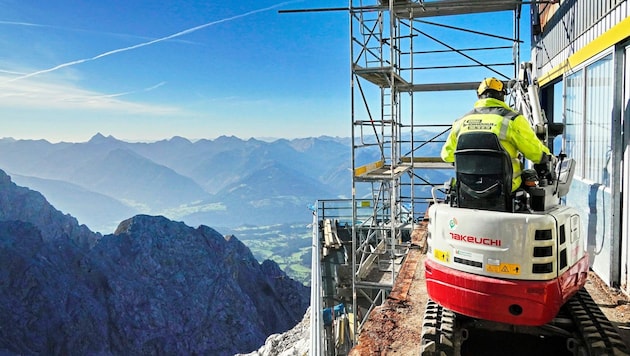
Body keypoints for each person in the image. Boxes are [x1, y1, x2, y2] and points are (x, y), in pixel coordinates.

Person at [440, 77, 551, 192]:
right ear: (503, 96)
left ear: (479, 96)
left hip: (468, 190)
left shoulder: (460, 122)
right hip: (506, 189)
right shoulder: (512, 119)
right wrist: (547, 158)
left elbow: (447, 155)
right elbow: (536, 152)